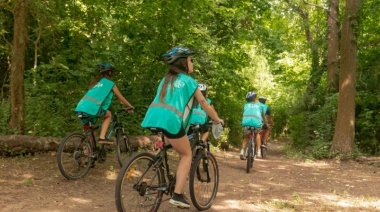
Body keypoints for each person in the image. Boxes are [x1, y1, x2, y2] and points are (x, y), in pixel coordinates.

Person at [141, 46, 223, 209]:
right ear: (184, 63)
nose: (192, 63)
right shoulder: (190, 82)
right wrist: (217, 119)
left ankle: (160, 171)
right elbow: (204, 104)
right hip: (171, 121)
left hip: (153, 117)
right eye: (190, 60)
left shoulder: (165, 79)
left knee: (171, 146)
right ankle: (177, 195)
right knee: (187, 154)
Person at [74, 63, 134, 145]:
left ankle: (88, 152)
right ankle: (102, 137)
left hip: (80, 107)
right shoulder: (110, 83)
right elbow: (121, 98)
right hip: (91, 108)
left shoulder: (96, 83)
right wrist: (130, 106)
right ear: (109, 72)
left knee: (91, 131)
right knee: (108, 114)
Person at [240, 91, 266, 159]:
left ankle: (242, 152)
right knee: (257, 134)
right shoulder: (260, 105)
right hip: (256, 124)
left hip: (246, 123)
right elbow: (263, 116)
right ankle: (258, 151)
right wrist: (265, 123)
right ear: (255, 98)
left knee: (246, 137)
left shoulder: (246, 105)